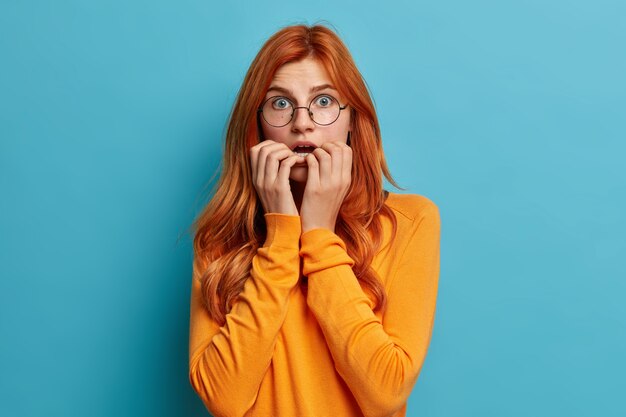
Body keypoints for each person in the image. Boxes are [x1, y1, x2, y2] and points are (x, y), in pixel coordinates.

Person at [188, 23, 441, 417]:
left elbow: (385, 394)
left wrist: (320, 234)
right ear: (256, 124)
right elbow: (224, 399)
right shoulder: (219, 238)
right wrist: (282, 233)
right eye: (281, 103)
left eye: (324, 102)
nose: (302, 123)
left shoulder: (410, 222)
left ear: (352, 120)